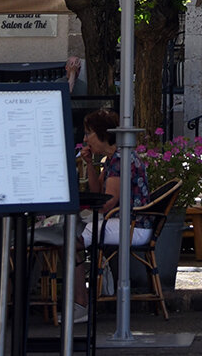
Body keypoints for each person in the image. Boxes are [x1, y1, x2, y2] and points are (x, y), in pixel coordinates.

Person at [72, 109, 152, 322]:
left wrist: (84, 208)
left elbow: (107, 204)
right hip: (129, 222)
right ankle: (81, 301)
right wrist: (89, 164)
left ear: (102, 134)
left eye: (89, 133)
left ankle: (80, 304)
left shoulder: (119, 161)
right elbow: (98, 191)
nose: (85, 139)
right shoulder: (113, 158)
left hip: (132, 225)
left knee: (71, 243)